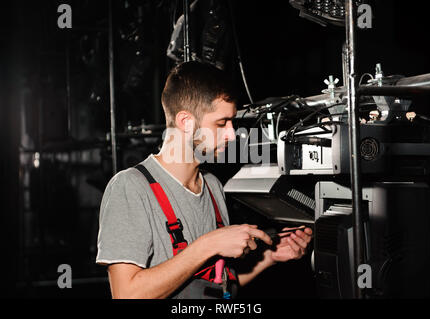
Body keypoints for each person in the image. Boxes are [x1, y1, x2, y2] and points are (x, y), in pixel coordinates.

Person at [96, 61, 313, 299]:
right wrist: (208, 245)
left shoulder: (212, 186)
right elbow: (126, 295)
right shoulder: (131, 187)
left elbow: (218, 284)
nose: (232, 134)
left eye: (232, 122)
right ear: (186, 122)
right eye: (221, 123)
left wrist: (269, 257)